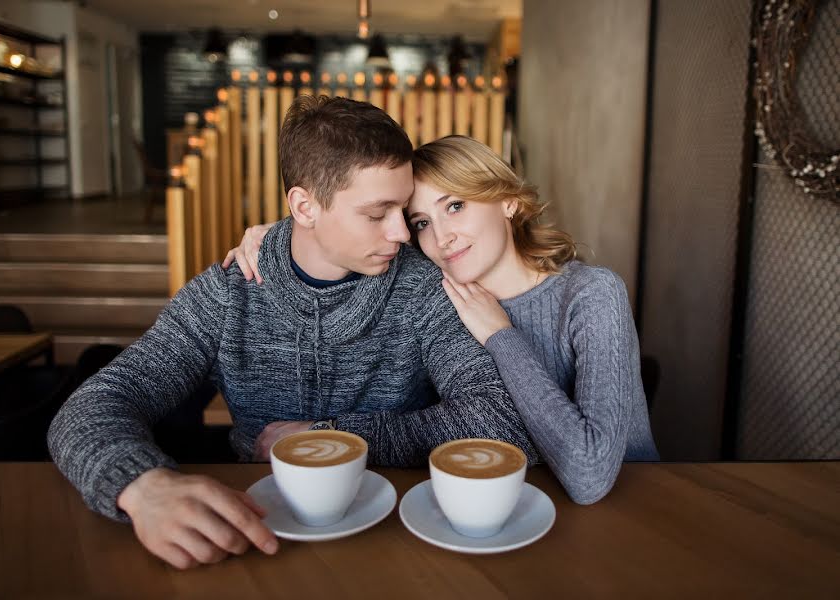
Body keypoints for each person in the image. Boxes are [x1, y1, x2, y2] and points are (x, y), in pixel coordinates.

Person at [48, 99, 538, 570]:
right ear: (304, 206)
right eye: (376, 213)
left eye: (404, 210)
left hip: (396, 538)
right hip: (253, 531)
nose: (404, 235)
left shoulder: (424, 287)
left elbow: (498, 420)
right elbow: (93, 407)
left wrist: (337, 436)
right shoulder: (227, 293)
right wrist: (142, 485)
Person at [224, 135, 659, 506]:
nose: (441, 237)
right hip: (494, 504)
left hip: (634, 507)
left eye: (455, 206)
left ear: (507, 200)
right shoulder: (434, 292)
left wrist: (500, 335)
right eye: (421, 222)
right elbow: (344, 225)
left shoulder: (591, 293)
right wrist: (277, 236)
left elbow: (590, 476)